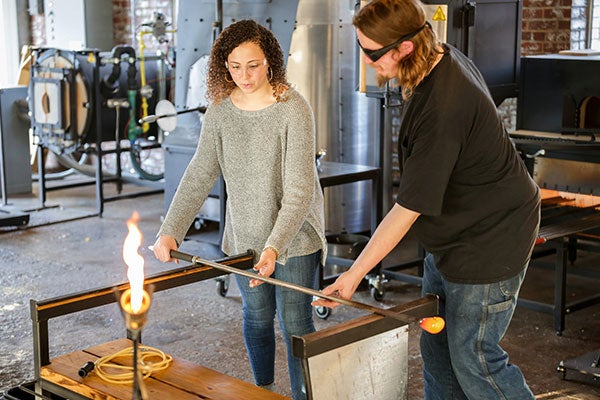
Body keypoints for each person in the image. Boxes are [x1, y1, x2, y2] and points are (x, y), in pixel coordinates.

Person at [313, 1, 540, 399]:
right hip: (453, 229)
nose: (367, 62)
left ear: (404, 47)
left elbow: (408, 209)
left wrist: (353, 274)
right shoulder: (435, 54)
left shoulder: (444, 106)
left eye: (371, 53)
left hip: (491, 236)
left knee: (475, 358)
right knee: (437, 349)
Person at [152, 19, 327, 400]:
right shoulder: (220, 111)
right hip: (245, 235)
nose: (244, 76)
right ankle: (263, 390)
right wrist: (171, 229)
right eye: (234, 66)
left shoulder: (293, 109)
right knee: (257, 317)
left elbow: (299, 192)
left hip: (294, 237)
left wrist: (274, 248)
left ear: (270, 61)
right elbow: (200, 172)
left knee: (295, 321)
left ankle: (306, 396)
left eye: (253, 65)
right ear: (223, 65)